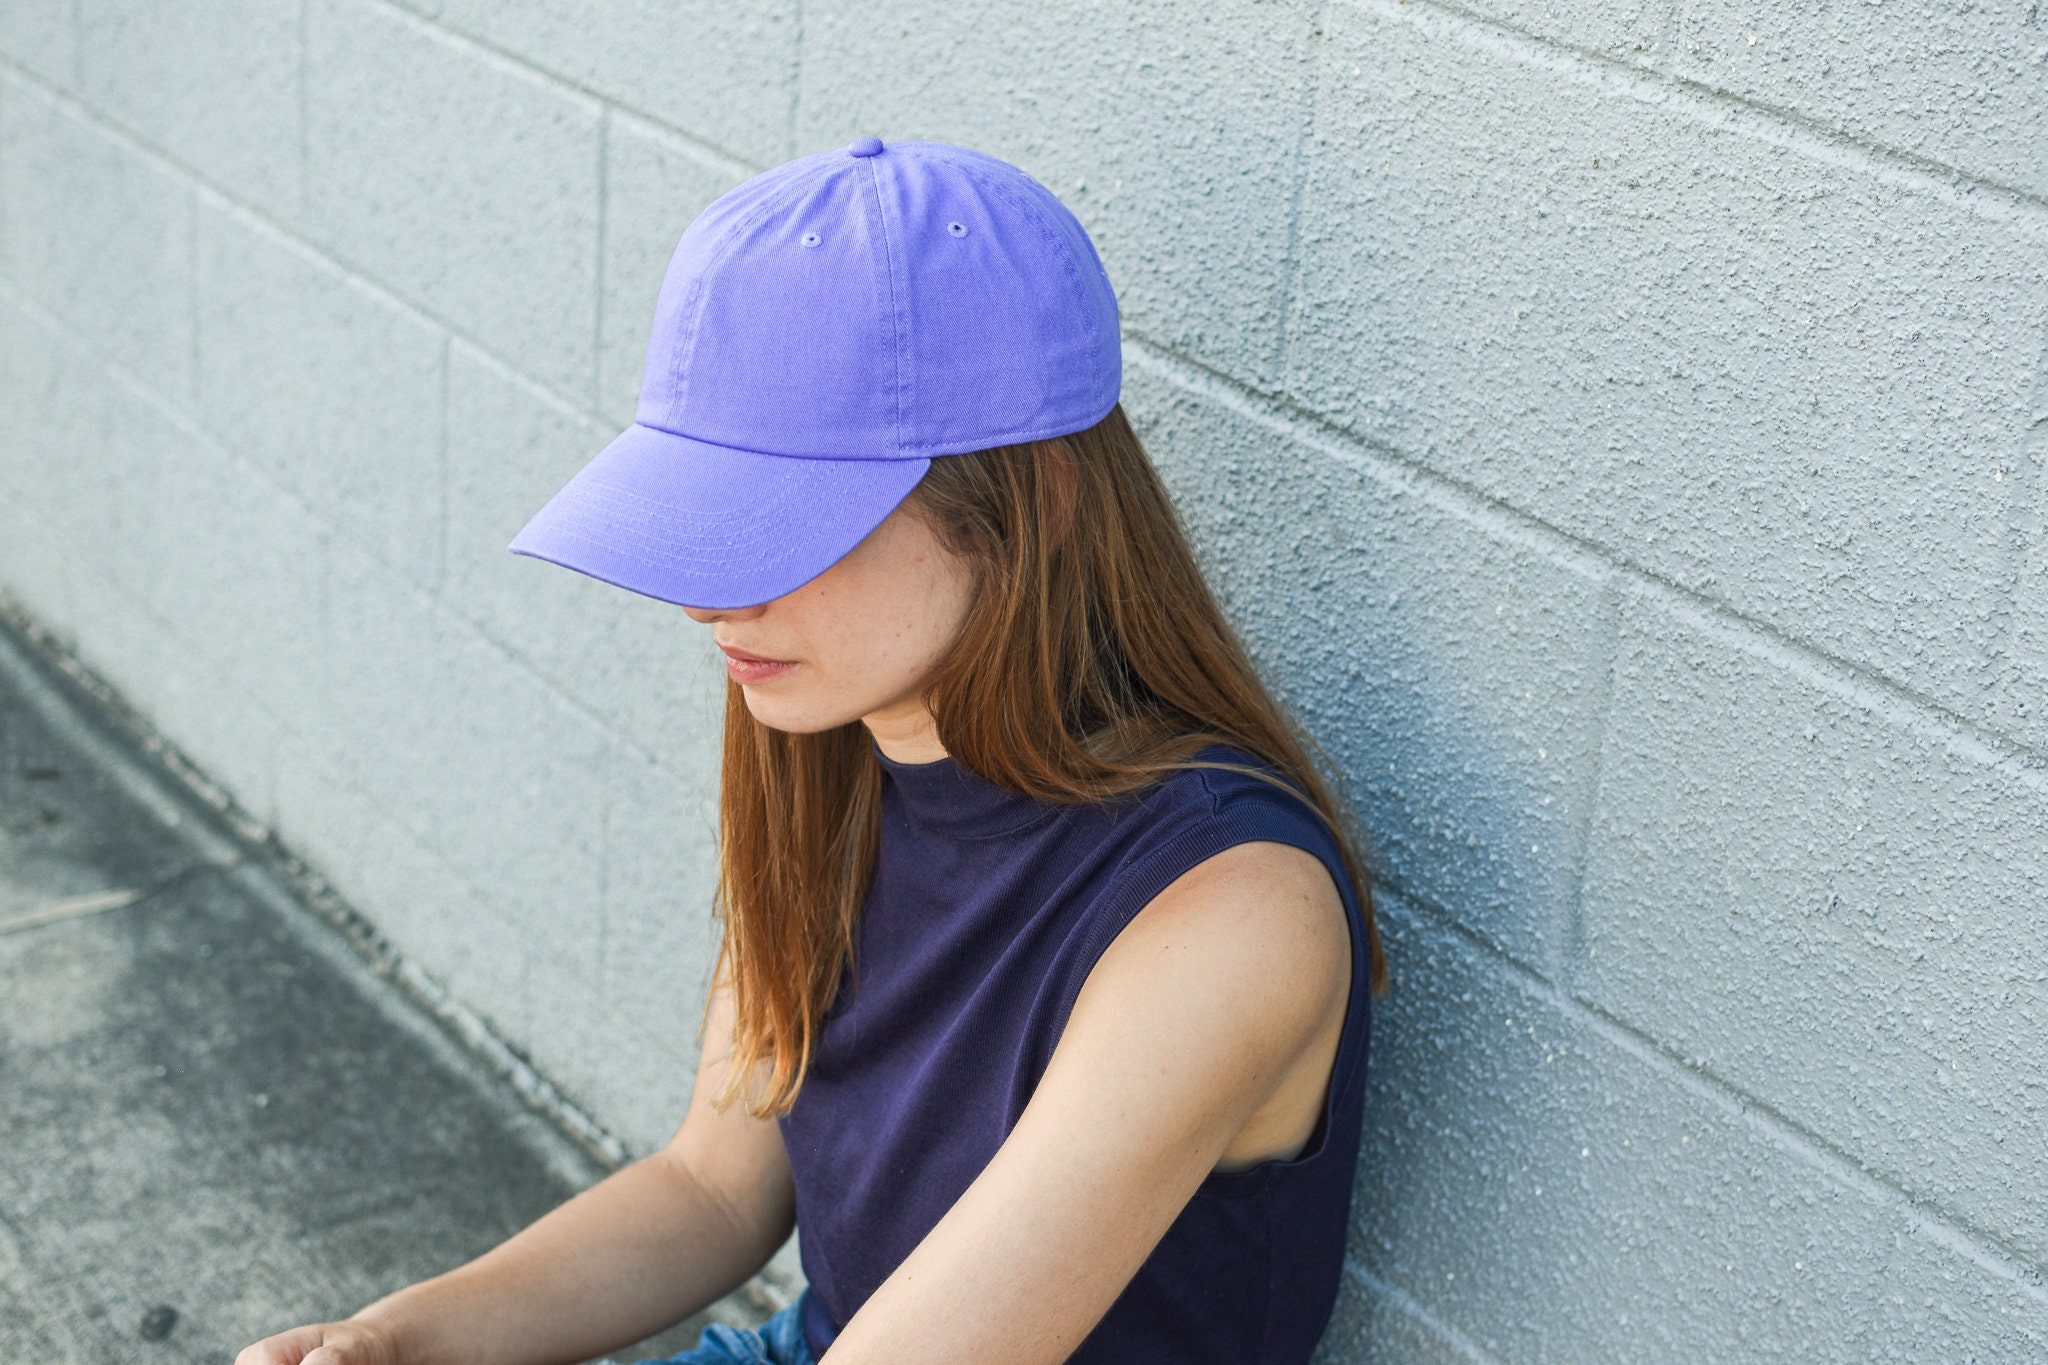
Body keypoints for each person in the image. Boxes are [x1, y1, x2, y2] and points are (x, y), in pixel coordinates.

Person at [238, 137, 1386, 1365]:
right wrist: (389, 1343)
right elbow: (712, 1190)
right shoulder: (830, 755)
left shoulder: (1227, 907)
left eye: (785, 525)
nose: (707, 599)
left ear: (1038, 503)